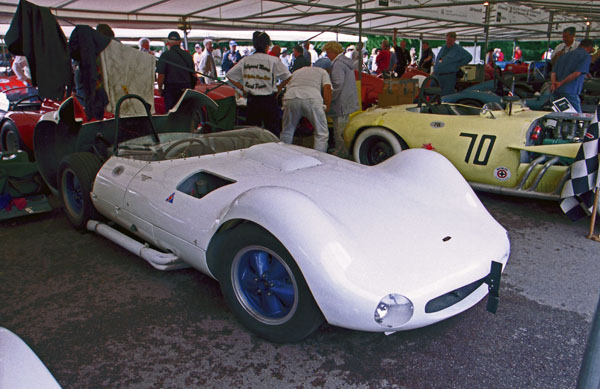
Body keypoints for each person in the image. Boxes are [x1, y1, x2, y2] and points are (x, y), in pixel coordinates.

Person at [226, 31, 291, 136]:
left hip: (253, 101)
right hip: (269, 101)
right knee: (272, 133)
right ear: (267, 46)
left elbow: (230, 75)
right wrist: (279, 88)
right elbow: (288, 76)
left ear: (254, 45)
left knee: (252, 133)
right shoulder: (273, 60)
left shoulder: (246, 60)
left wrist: (242, 88)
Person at [280, 58, 332, 152]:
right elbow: (327, 88)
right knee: (321, 133)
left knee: (287, 131)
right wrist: (327, 107)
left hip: (291, 97)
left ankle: (283, 154)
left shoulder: (298, 71)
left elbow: (287, 83)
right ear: (328, 69)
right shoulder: (323, 72)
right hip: (312, 99)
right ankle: (320, 159)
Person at [323, 41, 358, 158]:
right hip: (348, 100)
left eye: (328, 52)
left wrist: (328, 99)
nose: (327, 55)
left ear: (333, 51)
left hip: (340, 103)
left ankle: (341, 154)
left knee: (339, 132)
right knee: (343, 130)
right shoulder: (346, 63)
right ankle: (343, 151)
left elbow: (337, 85)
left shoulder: (337, 64)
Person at [550, 38, 593, 113]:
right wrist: (561, 83)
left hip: (556, 90)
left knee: (559, 115)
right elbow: (577, 73)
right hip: (570, 90)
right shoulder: (586, 56)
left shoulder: (564, 55)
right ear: (589, 47)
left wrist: (554, 83)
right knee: (577, 117)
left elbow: (553, 73)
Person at [156, 31, 195, 111]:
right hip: (186, 89)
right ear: (180, 42)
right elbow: (193, 74)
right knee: (185, 113)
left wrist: (160, 89)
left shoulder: (165, 55)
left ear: (168, 43)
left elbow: (161, 75)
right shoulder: (188, 55)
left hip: (171, 90)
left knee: (172, 115)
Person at [433, 32, 472, 96]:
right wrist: (436, 67)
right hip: (437, 75)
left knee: (446, 96)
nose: (448, 42)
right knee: (432, 94)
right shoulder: (443, 47)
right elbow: (440, 59)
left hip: (448, 76)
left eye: (450, 40)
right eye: (448, 40)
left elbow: (469, 57)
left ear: (454, 40)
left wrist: (457, 65)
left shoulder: (458, 49)